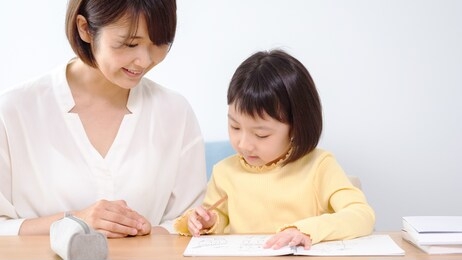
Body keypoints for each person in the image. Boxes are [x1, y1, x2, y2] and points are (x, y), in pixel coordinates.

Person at [0, 0, 207, 238]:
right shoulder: (13, 113)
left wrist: (154, 231)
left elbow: (189, 225)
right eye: (130, 44)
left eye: (159, 43)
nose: (144, 60)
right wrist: (75, 222)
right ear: (85, 29)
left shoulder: (175, 113)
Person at [173, 49, 375, 249]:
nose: (243, 144)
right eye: (235, 127)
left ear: (296, 127)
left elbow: (361, 215)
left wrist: (306, 230)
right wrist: (204, 221)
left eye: (261, 134)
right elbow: (218, 218)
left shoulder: (319, 166)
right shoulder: (224, 172)